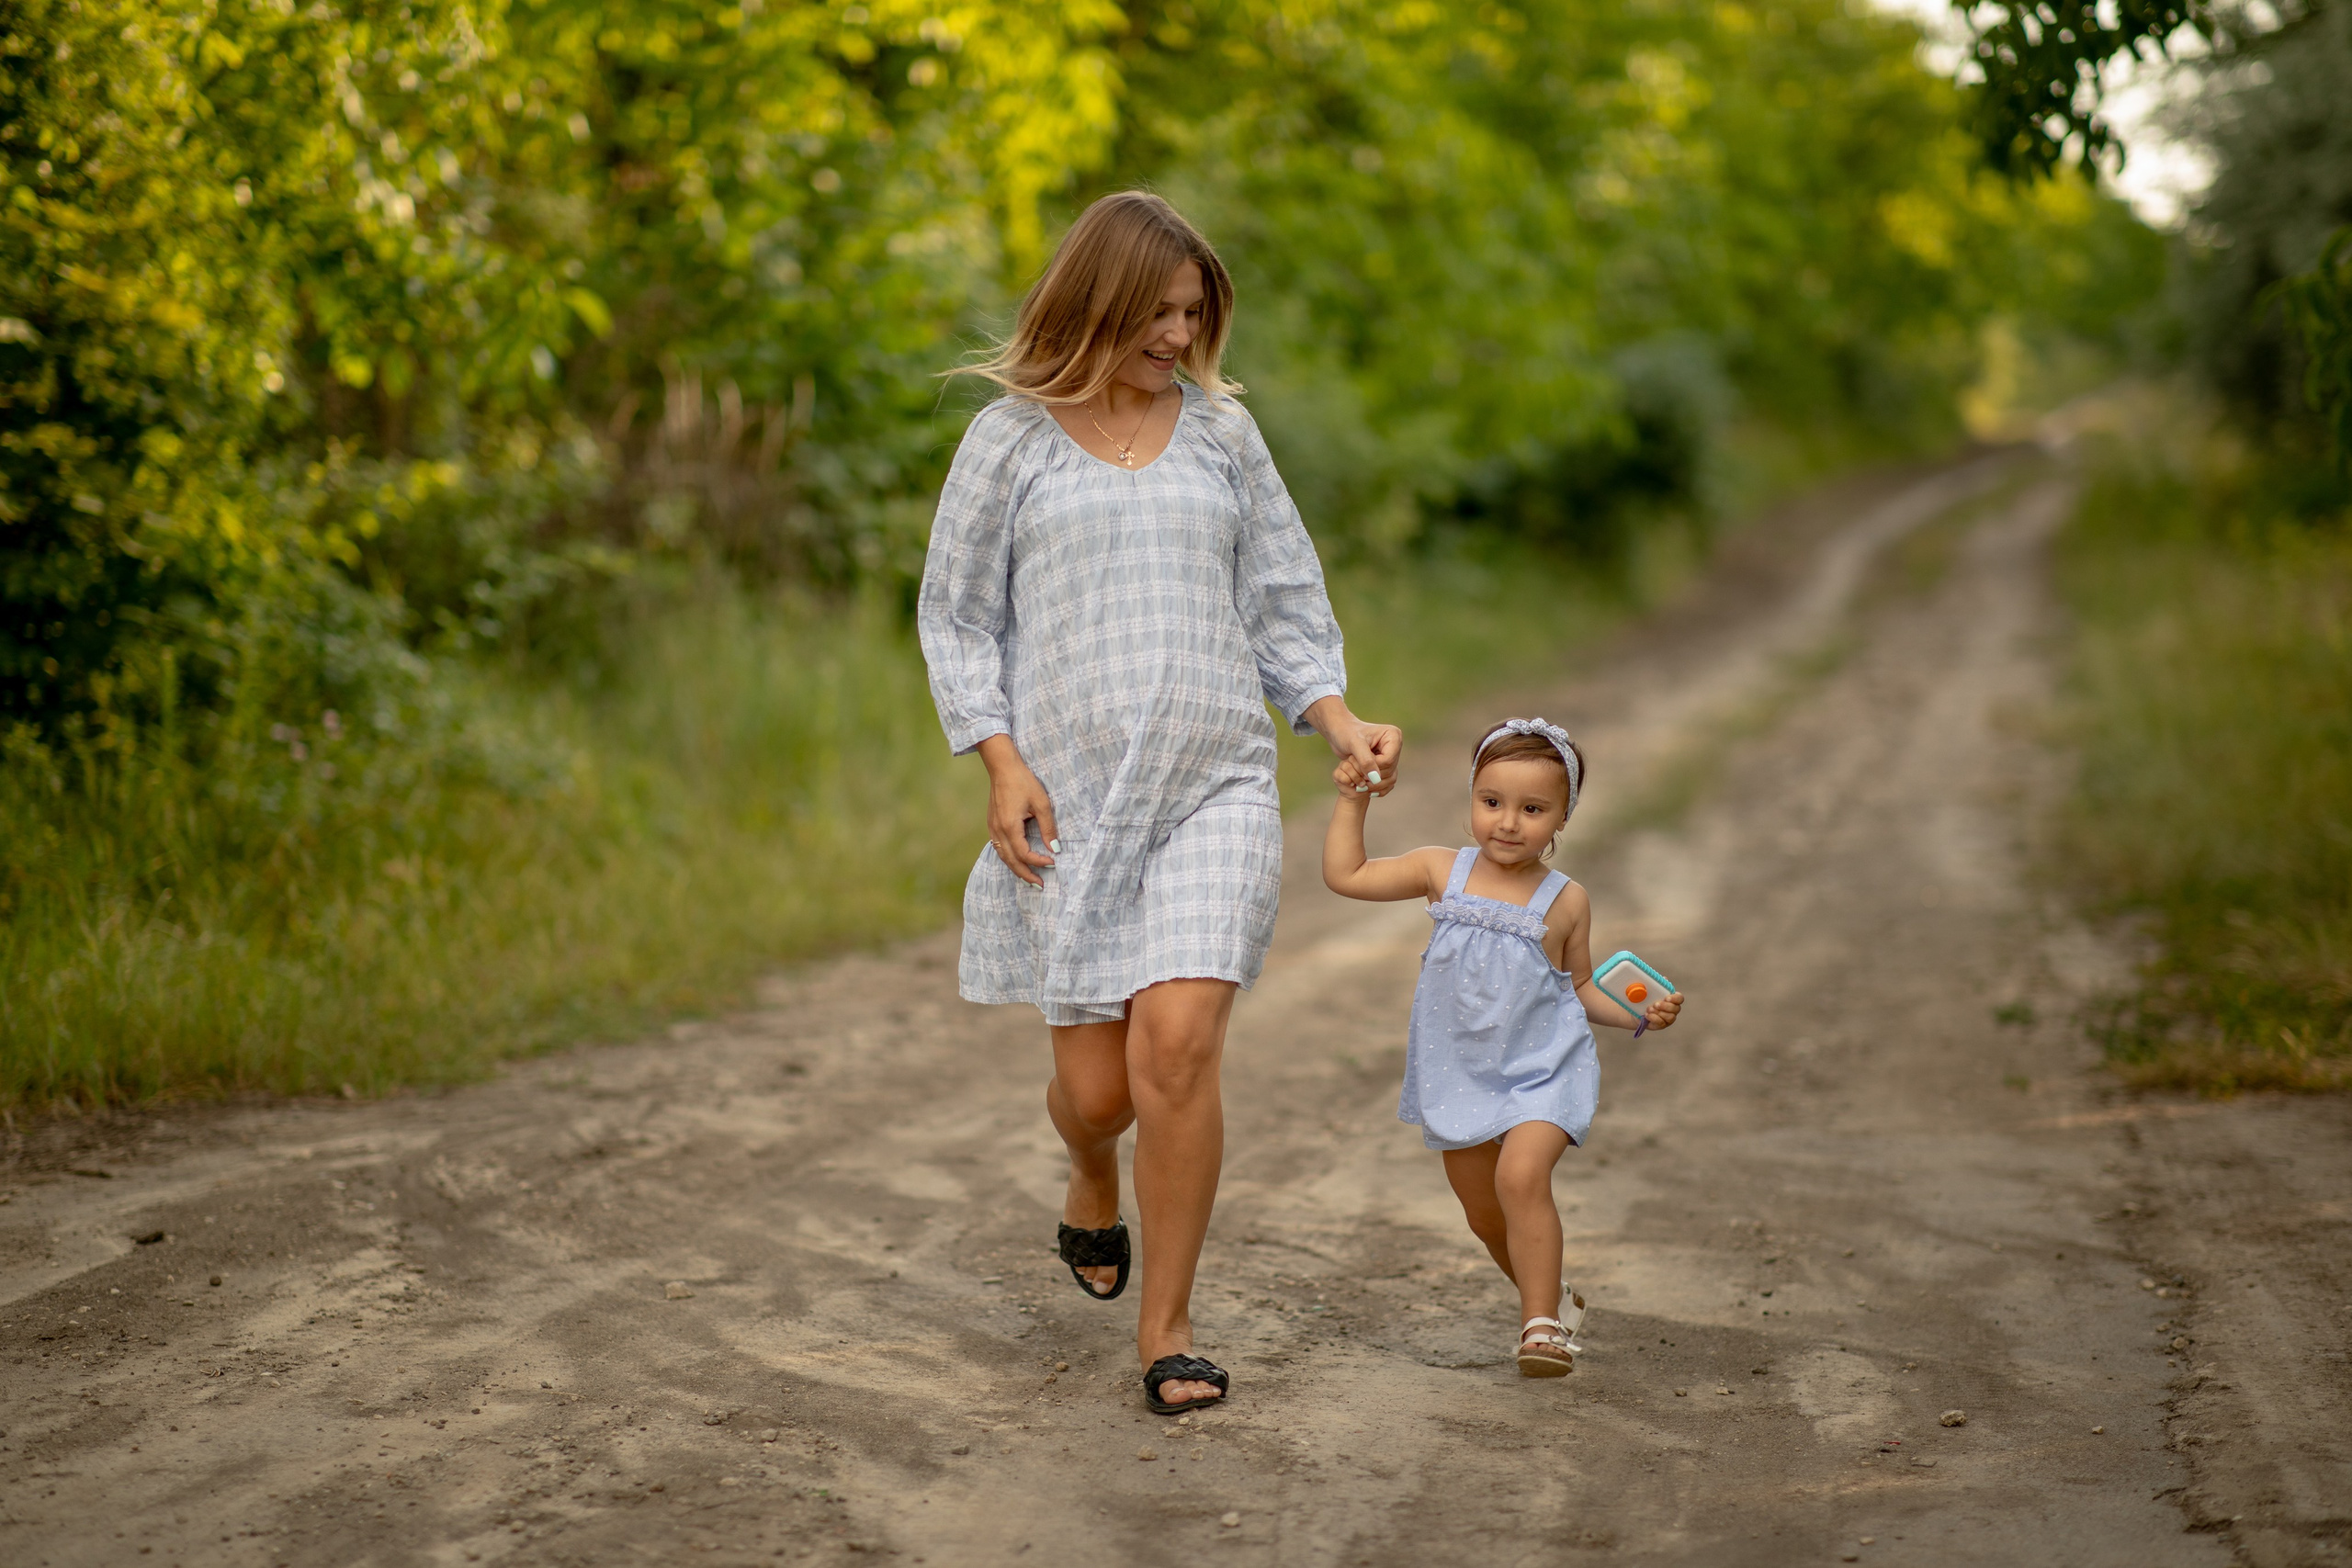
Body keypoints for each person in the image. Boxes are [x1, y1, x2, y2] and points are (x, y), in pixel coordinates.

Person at [918, 190, 1402, 1415]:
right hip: (1072, 801)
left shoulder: (1223, 434)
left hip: (1217, 781)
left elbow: (1283, 598)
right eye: (1160, 314)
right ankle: (1091, 1177)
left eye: (1195, 314)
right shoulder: (1009, 440)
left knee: (1178, 1048)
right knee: (1101, 1093)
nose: (1180, 338)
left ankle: (1168, 1327)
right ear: (1098, 305)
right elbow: (958, 616)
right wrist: (1000, 759)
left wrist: (1337, 719)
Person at [1321, 717, 1683, 1375]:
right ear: (1471, 799)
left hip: (1543, 1070)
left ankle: (1541, 1329)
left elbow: (1578, 988)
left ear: (1562, 816)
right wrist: (1354, 800)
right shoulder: (1440, 869)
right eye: (1492, 802)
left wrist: (1639, 1014)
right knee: (1487, 1216)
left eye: (1532, 808)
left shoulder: (1566, 900)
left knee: (1521, 1177)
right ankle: (1552, 1296)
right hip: (1458, 1071)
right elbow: (1346, 875)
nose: (1509, 822)